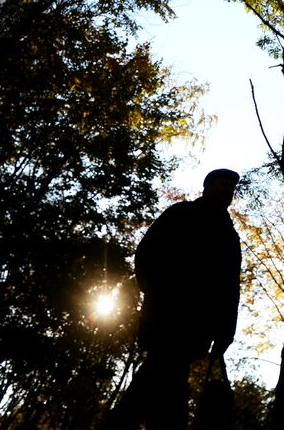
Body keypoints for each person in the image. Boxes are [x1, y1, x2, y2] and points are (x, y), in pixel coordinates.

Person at [104, 169, 241, 430]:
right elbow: (146, 252)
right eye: (222, 184)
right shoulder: (181, 214)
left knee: (166, 384)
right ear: (207, 186)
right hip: (165, 318)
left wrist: (226, 331)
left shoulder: (229, 237)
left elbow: (230, 287)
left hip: (197, 328)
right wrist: (156, 291)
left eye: (231, 188)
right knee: (164, 382)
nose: (227, 191)